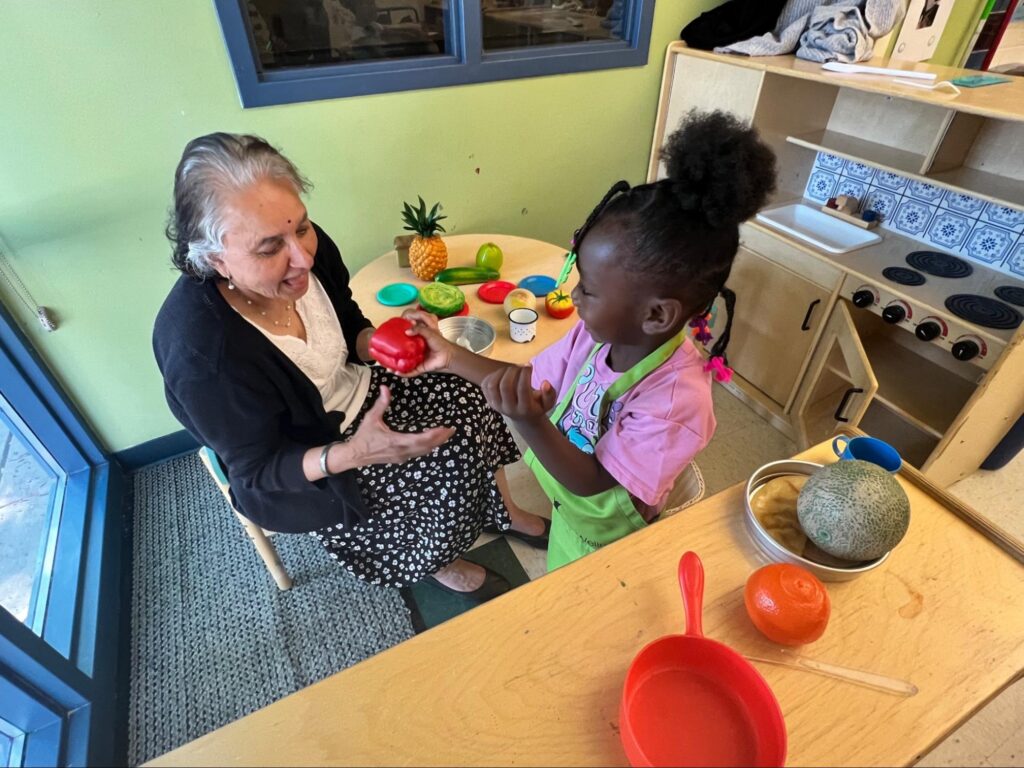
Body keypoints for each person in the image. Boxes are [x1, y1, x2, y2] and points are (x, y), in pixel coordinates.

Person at [153, 133, 548, 602]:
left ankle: (503, 510)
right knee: (444, 465)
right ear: (215, 257)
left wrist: (389, 342)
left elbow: (350, 327)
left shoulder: (309, 255)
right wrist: (356, 453)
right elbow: (258, 472)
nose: (303, 257)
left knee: (464, 395)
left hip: (359, 389)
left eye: (301, 227)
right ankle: (439, 561)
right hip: (308, 455)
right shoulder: (203, 354)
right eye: (269, 248)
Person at [403, 110, 777, 569]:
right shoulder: (593, 336)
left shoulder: (679, 401)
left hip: (612, 547)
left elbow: (594, 481)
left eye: (590, 289)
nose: (574, 295)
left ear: (656, 314)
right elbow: (529, 381)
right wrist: (450, 355)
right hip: (570, 517)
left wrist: (532, 424)